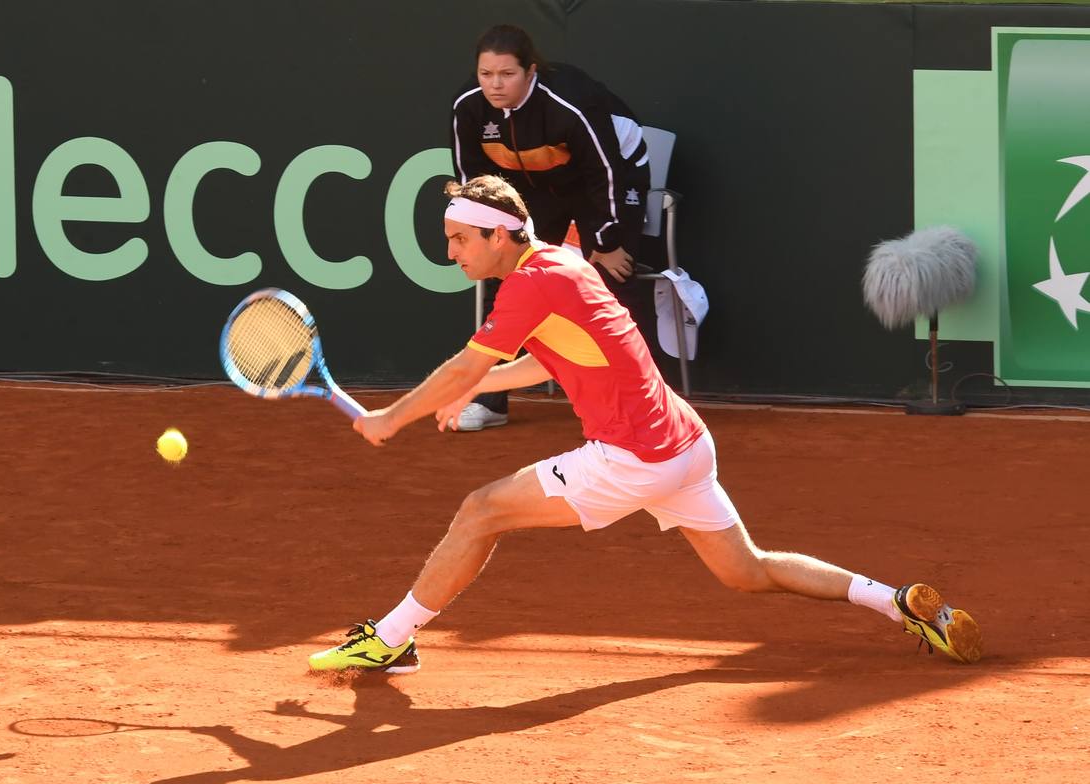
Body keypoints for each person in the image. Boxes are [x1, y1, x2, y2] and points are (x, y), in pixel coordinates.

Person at [309, 176, 983, 674]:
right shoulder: (564, 262)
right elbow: (548, 361)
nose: (451, 251)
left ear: (498, 234)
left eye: (459, 239)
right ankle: (897, 602)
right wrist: (476, 385)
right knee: (747, 571)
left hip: (631, 456)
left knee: (479, 511)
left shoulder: (528, 285)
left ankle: (394, 638)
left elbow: (462, 364)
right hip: (683, 444)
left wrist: (389, 419)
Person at [447, 23, 657, 432]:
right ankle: (491, 403)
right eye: (486, 74)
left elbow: (606, 173)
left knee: (613, 274)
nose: (495, 85)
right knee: (507, 277)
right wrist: (490, 237)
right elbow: (474, 182)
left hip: (607, 174)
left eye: (507, 74)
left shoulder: (571, 103)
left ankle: (644, 402)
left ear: (531, 71)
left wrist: (606, 239)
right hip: (534, 183)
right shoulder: (468, 107)